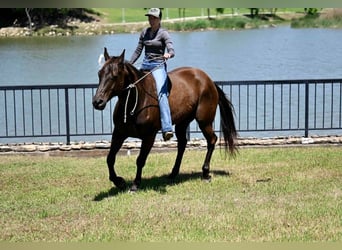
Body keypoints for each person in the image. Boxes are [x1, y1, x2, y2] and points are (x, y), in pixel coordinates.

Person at [130, 8, 175, 141]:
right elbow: (138, 51)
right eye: (149, 17)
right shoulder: (144, 32)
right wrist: (128, 64)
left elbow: (171, 47)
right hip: (145, 65)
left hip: (158, 66)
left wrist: (169, 54)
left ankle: (167, 128)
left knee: (161, 93)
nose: (151, 20)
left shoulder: (163, 33)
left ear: (159, 19)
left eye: (154, 18)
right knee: (131, 86)